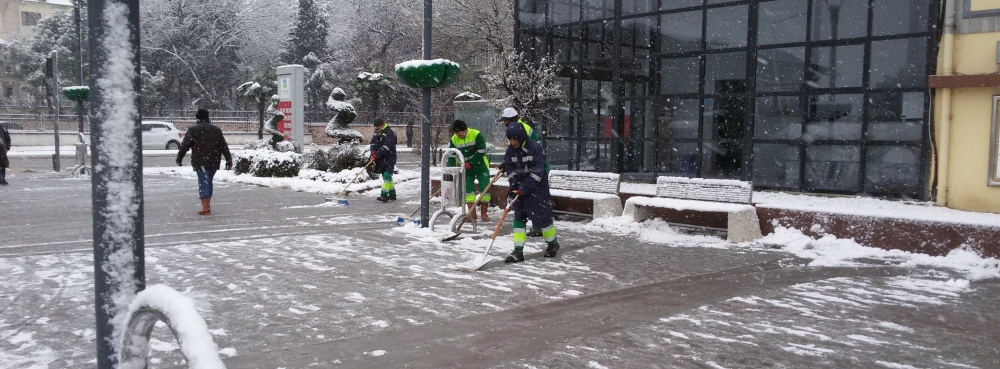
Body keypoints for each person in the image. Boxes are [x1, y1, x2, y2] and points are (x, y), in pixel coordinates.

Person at [503, 123, 559, 263]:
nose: (513, 142)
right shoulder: (510, 151)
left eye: (514, 139)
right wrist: (514, 187)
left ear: (521, 137)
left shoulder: (535, 148)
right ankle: (518, 251)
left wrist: (524, 187)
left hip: (537, 191)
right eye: (510, 139)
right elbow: (510, 171)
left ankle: (553, 244)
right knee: (518, 218)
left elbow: (537, 172)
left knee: (543, 220)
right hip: (520, 191)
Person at [497, 107, 548, 236]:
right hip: (526, 168)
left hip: (534, 169)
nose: (504, 123)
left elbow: (530, 151)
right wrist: (508, 164)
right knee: (526, 201)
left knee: (535, 199)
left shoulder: (522, 128)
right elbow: (515, 151)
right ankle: (536, 226)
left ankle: (539, 227)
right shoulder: (515, 129)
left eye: (506, 121)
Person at [176, 109, 233, 215]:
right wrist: (228, 159)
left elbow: (185, 146)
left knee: (203, 182)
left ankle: (205, 207)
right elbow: (223, 146)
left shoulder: (193, 130)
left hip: (200, 160)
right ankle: (207, 205)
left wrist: (179, 158)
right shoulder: (216, 130)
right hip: (214, 160)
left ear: (197, 117)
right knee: (208, 182)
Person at [448, 120, 491, 221]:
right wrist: (452, 169)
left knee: (485, 188)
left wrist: (470, 163)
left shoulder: (476, 134)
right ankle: (472, 214)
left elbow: (481, 151)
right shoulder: (454, 139)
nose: (457, 135)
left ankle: (484, 213)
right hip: (465, 168)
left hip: (481, 165)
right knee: (468, 191)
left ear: (465, 130)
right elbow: (451, 155)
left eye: (459, 132)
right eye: (455, 133)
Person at [370, 118, 397, 202]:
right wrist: (373, 151)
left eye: (378, 127)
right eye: (375, 128)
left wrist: (378, 154)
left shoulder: (389, 132)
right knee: (386, 177)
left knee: (387, 175)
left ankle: (384, 195)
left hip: (389, 158)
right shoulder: (376, 132)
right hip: (381, 159)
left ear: (382, 125)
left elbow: (387, 146)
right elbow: (373, 142)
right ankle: (392, 194)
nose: (376, 129)